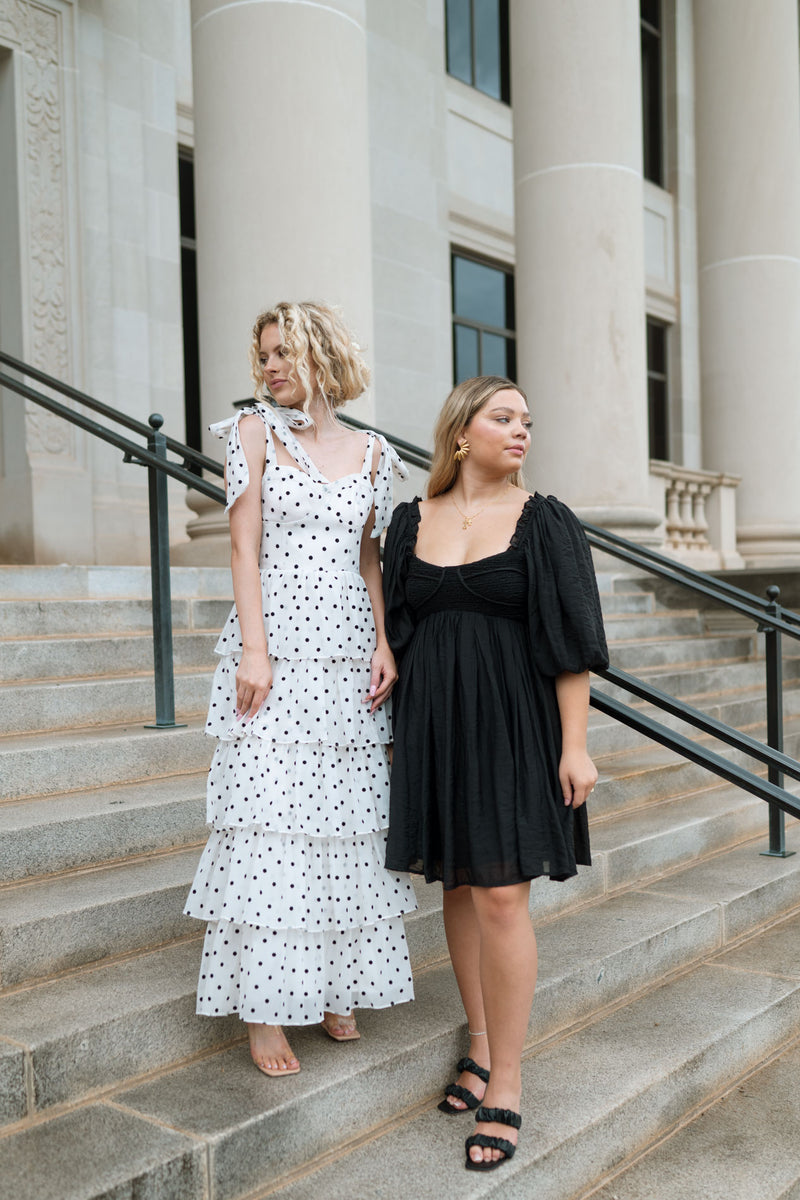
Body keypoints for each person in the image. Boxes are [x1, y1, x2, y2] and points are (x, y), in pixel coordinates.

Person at [382, 375, 608, 1170]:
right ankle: (477, 1045)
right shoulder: (411, 521)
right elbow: (395, 625)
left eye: (527, 422)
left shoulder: (545, 522)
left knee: (505, 895)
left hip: (516, 723)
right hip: (434, 725)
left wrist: (574, 744)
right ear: (459, 431)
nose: (521, 432)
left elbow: (573, 641)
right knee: (459, 883)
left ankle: (507, 1080)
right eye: (503, 417)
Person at [185, 300, 416, 1077]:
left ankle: (332, 985)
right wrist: (256, 650)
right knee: (273, 821)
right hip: (277, 650)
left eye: (283, 353)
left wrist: (385, 641)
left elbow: (370, 561)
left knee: (343, 822)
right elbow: (243, 550)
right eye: (264, 357)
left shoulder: (377, 453)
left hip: (350, 652)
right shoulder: (252, 434)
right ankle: (264, 1006)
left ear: (320, 353)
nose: (271, 368)